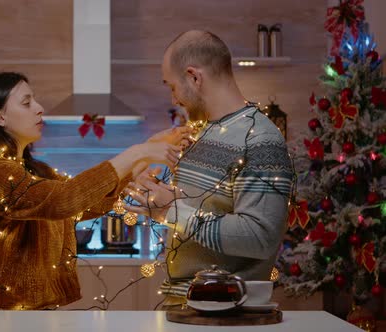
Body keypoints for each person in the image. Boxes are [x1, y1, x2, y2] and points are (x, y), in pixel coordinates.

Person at [0, 71, 189, 310]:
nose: (39, 108)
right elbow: (64, 200)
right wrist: (138, 152)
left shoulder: (35, 171)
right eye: (27, 103)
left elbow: (88, 202)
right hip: (2, 314)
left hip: (32, 313)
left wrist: (149, 148)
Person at [125, 30, 294, 307]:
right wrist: (159, 200)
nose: (173, 99)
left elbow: (259, 236)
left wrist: (173, 211)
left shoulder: (260, 138)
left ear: (194, 77)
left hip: (226, 312)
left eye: (172, 86)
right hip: (186, 308)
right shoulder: (201, 134)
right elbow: (199, 210)